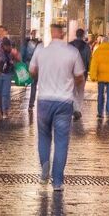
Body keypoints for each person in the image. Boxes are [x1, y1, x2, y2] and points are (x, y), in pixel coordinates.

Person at [29, 23, 85, 191]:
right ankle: (58, 181)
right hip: (64, 101)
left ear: (51, 32)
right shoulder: (72, 52)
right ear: (63, 33)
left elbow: (32, 71)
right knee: (61, 142)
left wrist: (42, 75)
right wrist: (71, 84)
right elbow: (80, 76)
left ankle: (44, 166)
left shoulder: (41, 50)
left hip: (44, 100)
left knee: (44, 136)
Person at [89, 37, 109, 119]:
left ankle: (100, 113)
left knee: (100, 94)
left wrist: (93, 76)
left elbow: (93, 65)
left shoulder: (98, 51)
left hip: (101, 77)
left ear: (102, 42)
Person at [0, 36, 18, 117]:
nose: (9, 48)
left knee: (5, 93)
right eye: (7, 46)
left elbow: (18, 60)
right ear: (3, 45)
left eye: (10, 46)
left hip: (7, 74)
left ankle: (5, 110)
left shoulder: (11, 51)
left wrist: (15, 56)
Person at [69, 29, 91, 120]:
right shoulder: (86, 46)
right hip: (82, 72)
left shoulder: (70, 45)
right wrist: (88, 69)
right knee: (80, 91)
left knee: (72, 90)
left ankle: (75, 108)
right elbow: (88, 59)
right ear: (82, 35)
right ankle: (78, 109)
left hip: (71, 71)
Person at [21, 29, 43, 108]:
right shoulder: (33, 43)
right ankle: (31, 103)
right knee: (34, 84)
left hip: (34, 65)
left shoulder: (35, 44)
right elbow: (23, 54)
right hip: (31, 65)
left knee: (34, 84)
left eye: (35, 33)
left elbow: (23, 54)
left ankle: (31, 103)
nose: (34, 35)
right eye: (33, 33)